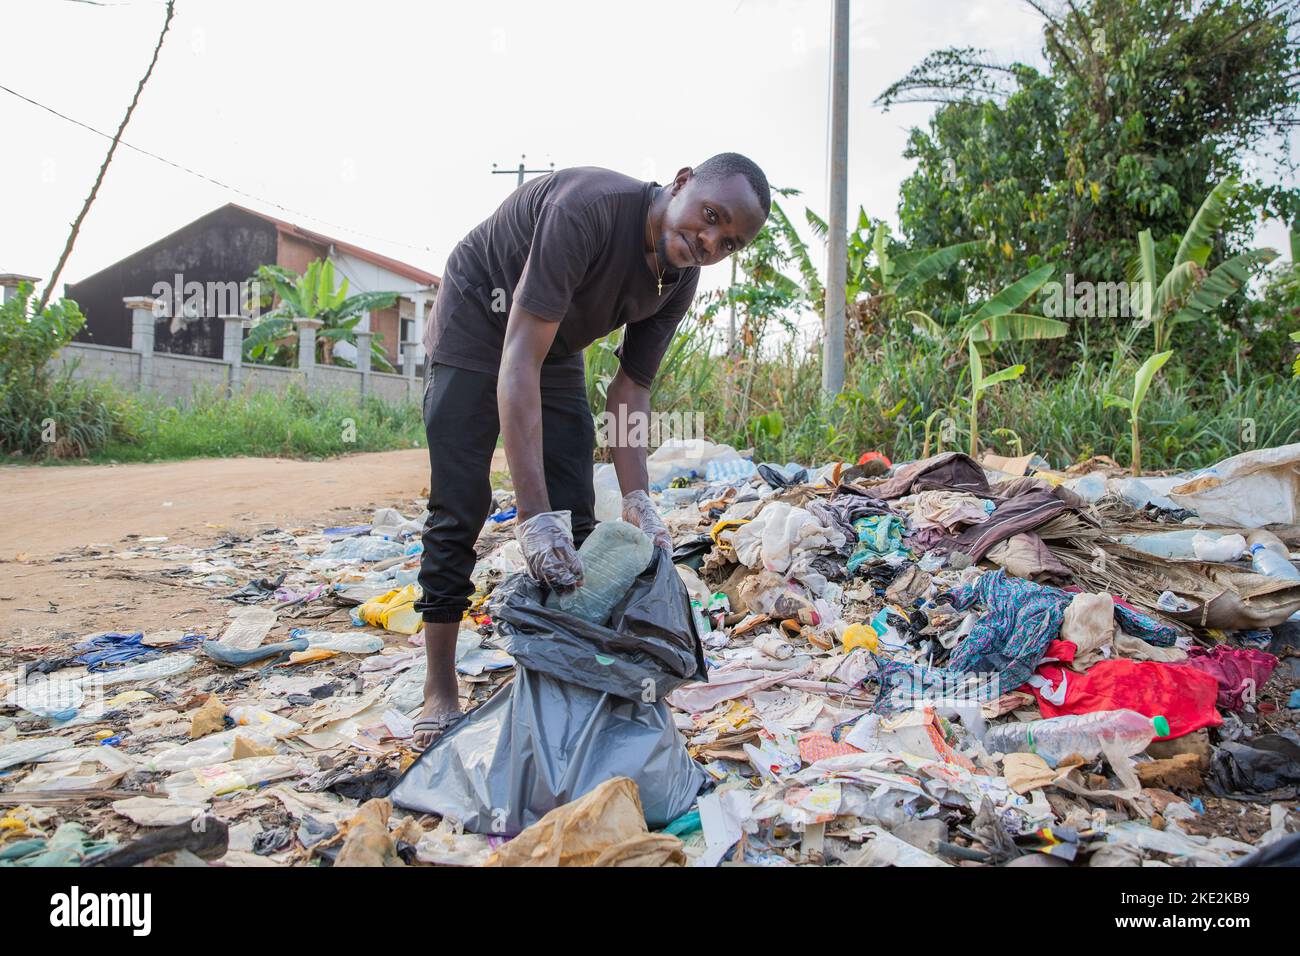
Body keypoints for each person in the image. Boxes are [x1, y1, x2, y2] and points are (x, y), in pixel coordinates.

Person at [413, 154, 769, 748]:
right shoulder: (588, 210)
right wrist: (531, 517)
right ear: (681, 181)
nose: (708, 241)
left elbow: (631, 390)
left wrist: (638, 499)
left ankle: (559, 676)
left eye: (727, 242)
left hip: (551, 347)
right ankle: (439, 684)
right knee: (461, 504)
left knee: (578, 518)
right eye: (710, 216)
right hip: (479, 321)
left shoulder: (679, 278)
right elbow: (516, 356)